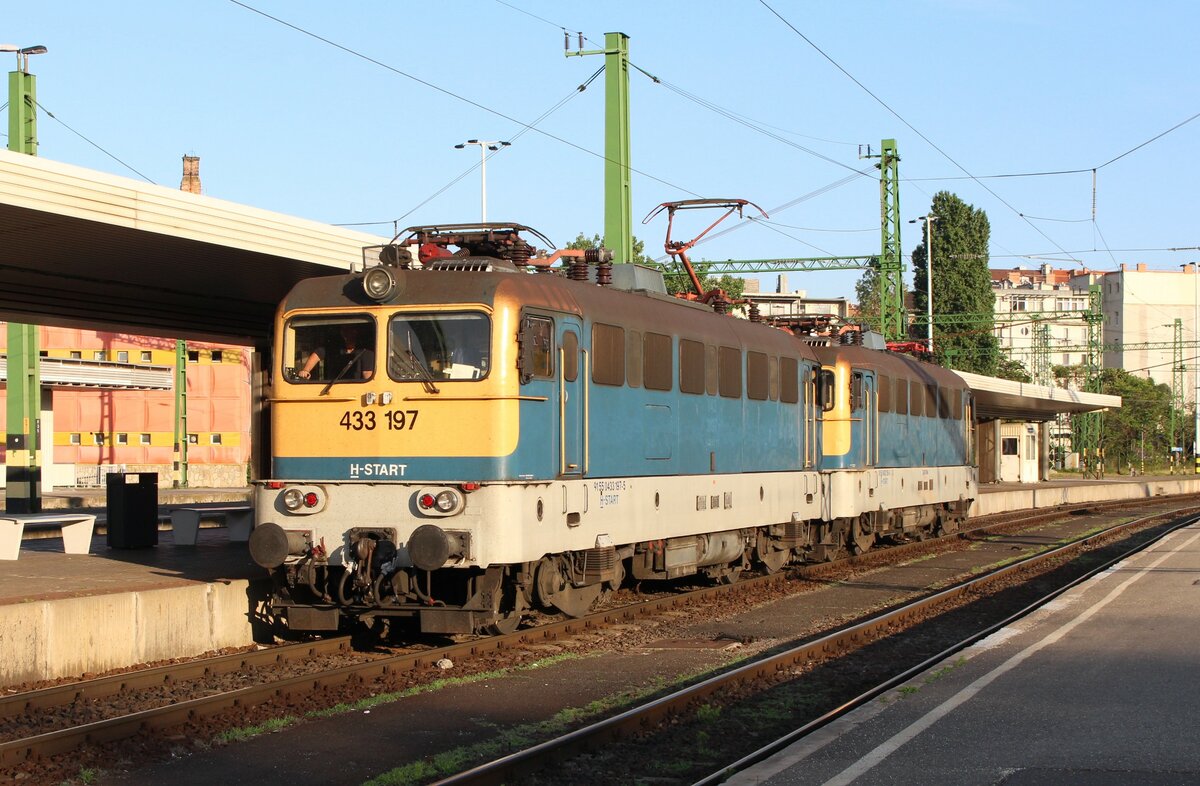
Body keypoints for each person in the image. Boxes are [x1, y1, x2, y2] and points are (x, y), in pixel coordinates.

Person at [298, 324, 375, 381]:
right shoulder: (334, 347)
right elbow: (317, 354)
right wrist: (306, 370)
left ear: (356, 332)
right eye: (344, 329)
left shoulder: (366, 352)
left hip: (355, 390)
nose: (347, 333)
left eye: (350, 329)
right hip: (331, 388)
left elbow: (367, 376)